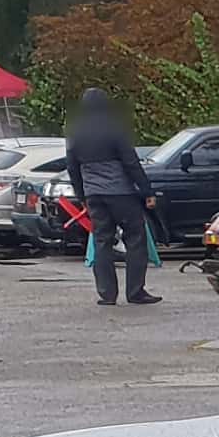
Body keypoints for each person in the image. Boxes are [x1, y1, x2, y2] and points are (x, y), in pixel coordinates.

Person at [63, 88, 158, 306]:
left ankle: (107, 294)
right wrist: (146, 191)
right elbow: (130, 162)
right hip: (121, 193)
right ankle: (135, 292)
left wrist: (82, 196)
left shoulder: (75, 131)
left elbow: (72, 167)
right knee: (135, 238)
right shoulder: (115, 128)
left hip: (93, 194)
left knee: (102, 241)